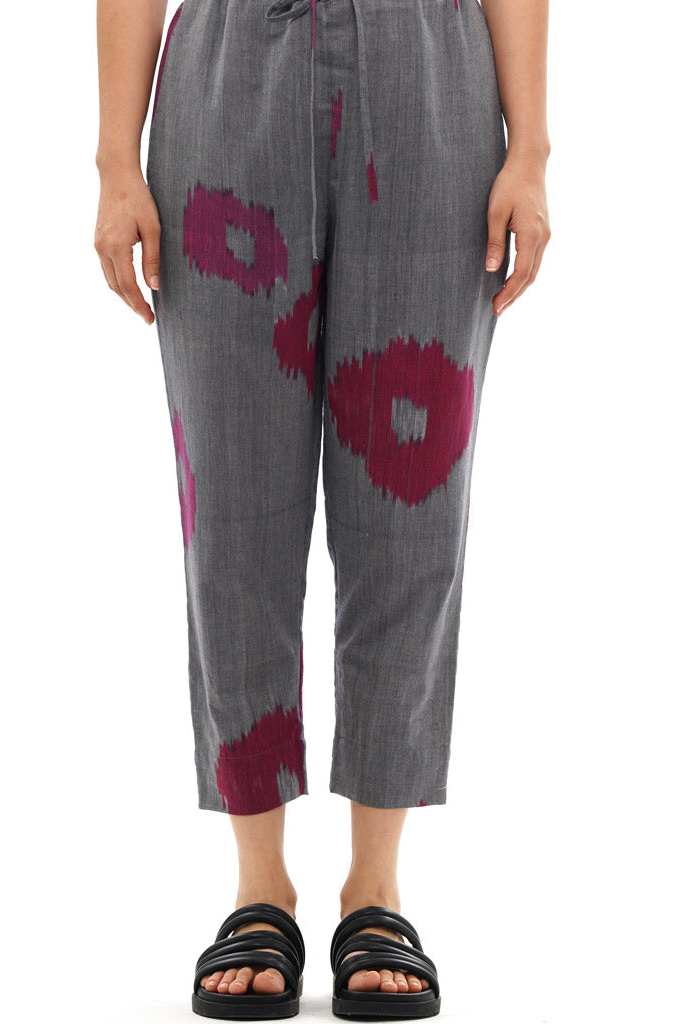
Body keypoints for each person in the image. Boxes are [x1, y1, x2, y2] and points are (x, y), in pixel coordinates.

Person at [94, 0, 551, 1018]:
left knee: (410, 504)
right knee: (231, 508)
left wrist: (531, 147)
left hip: (430, 81)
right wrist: (116, 160)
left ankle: (375, 890)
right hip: (228, 80)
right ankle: (259, 886)